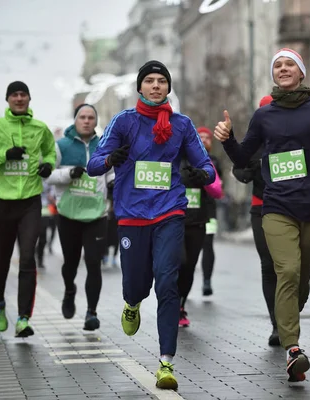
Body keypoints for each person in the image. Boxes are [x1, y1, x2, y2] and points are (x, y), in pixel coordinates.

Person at [213, 48, 310, 381]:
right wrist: (228, 141)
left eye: (290, 65)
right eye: (278, 66)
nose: (283, 69)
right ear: (275, 75)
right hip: (276, 207)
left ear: (301, 73)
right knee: (287, 269)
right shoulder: (264, 116)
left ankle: (286, 320)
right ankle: (293, 348)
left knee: (300, 282)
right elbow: (242, 158)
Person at [87, 60, 215, 389]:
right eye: (149, 81)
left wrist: (199, 175)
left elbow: (208, 167)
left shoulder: (182, 125)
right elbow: (92, 165)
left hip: (170, 211)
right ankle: (131, 303)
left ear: (168, 88)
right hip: (131, 215)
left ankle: (166, 362)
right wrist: (111, 159)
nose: (156, 86)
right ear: (140, 87)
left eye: (161, 81)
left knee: (168, 282)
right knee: (136, 285)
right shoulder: (123, 122)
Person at [46, 104, 112, 331]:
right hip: (69, 214)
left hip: (97, 214)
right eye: (82, 117)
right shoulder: (61, 146)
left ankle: (91, 312)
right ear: (75, 120)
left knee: (94, 263)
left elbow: (111, 173)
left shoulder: (104, 145)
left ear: (96, 121)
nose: (86, 121)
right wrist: (68, 173)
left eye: (91, 117)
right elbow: (47, 176)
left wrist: (113, 185)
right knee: (71, 263)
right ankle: (69, 290)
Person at [0, 81, 56, 337]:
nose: (19, 99)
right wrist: (4, 155)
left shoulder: (40, 128)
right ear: (8, 99)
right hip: (2, 201)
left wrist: (48, 166)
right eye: (14, 95)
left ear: (29, 98)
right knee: (0, 261)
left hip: (31, 201)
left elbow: (50, 152)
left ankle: (23, 318)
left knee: (28, 258)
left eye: (23, 95)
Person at [232, 94, 280, 346]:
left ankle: (288, 317)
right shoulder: (254, 142)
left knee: (290, 268)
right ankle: (276, 324)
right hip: (261, 208)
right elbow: (238, 169)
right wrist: (249, 170)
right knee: (268, 264)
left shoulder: (294, 138)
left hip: (291, 208)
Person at [178, 126, 223, 327]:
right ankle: (171, 302)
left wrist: (203, 177)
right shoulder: (172, 158)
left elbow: (217, 191)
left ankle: (180, 305)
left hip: (198, 220)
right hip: (175, 220)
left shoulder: (206, 162)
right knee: (179, 261)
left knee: (189, 267)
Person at [197, 127, 223, 297]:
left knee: (208, 244)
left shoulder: (214, 161)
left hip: (209, 211)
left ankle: (207, 281)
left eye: (208, 138)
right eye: (201, 137)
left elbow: (218, 185)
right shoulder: (187, 158)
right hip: (189, 208)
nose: (205, 140)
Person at [36, 181, 57, 269]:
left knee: (43, 238)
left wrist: (52, 198)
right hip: (31, 210)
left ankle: (40, 259)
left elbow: (53, 195)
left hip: (45, 211)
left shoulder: (49, 180)